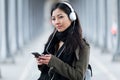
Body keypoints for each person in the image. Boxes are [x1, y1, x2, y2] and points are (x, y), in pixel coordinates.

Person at [35, 1, 90, 80]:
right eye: (53, 19)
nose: (57, 22)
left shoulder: (82, 46)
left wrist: (53, 61)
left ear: (71, 17)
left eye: (60, 17)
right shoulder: (52, 40)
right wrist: (42, 63)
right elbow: (49, 70)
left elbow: (79, 76)